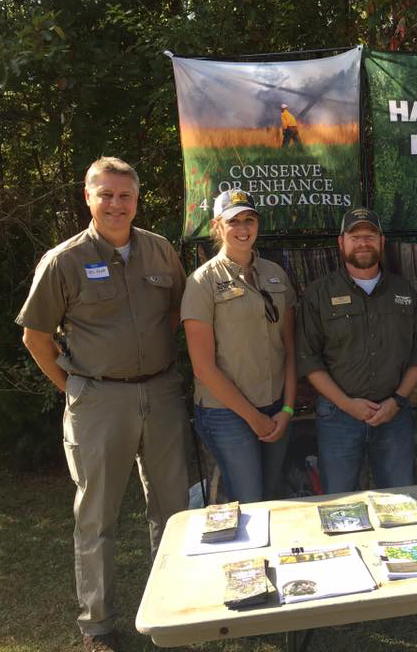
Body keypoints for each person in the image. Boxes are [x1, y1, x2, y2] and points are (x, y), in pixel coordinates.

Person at [15, 157, 189, 652]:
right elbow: (36, 336)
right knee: (97, 516)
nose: (116, 204)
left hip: (160, 393)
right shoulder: (62, 260)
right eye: (106, 194)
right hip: (97, 399)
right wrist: (73, 387)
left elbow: (180, 310)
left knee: (172, 509)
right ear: (88, 197)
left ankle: (173, 610)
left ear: (137, 200)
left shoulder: (160, 251)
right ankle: (98, 625)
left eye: (125, 196)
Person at [296, 207, 417, 494]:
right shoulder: (318, 294)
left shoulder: (404, 290)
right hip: (338, 418)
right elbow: (309, 361)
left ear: (382, 242)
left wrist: (396, 401)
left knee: (400, 501)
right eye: (355, 236)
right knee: (341, 504)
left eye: (369, 235)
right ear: (341, 242)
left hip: (394, 416)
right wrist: (347, 404)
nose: (363, 242)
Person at [182, 189, 296, 503]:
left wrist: (287, 408)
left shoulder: (275, 274)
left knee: (271, 497)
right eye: (234, 222)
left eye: (249, 220)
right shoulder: (202, 282)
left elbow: (288, 347)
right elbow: (203, 368)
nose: (243, 229)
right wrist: (253, 417)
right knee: (248, 501)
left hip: (275, 407)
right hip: (226, 413)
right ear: (217, 226)